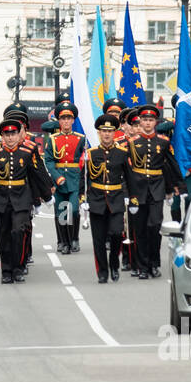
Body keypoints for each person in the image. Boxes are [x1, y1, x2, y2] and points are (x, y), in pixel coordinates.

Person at [0, 116, 51, 284]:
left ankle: (18, 268)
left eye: (13, 134)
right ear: (2, 136)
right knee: (4, 236)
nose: (10, 137)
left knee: (18, 232)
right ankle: (6, 271)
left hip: (22, 199)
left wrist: (45, 197)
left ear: (18, 134)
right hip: (1, 200)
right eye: (6, 135)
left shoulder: (26, 153)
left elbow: (36, 175)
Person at [126, 104, 185, 279]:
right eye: (144, 120)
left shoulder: (163, 141)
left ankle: (154, 263)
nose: (147, 123)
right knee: (140, 228)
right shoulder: (131, 143)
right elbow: (125, 169)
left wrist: (179, 187)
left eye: (151, 120)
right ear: (140, 122)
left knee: (154, 225)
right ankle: (143, 267)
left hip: (157, 188)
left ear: (155, 122)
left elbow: (172, 165)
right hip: (138, 189)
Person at [80, 114, 134, 284]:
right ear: (98, 133)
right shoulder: (91, 153)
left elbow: (129, 177)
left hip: (117, 199)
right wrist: (83, 199)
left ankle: (114, 264)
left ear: (114, 133)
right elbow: (84, 178)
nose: (107, 134)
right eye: (103, 131)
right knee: (99, 240)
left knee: (117, 233)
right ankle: (102, 271)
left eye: (110, 131)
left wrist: (131, 198)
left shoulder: (122, 153)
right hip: (96, 200)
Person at [43, 102, 86, 255]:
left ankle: (74, 238)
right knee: (61, 212)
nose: (66, 121)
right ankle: (64, 242)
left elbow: (85, 160)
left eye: (69, 118)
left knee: (73, 210)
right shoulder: (53, 139)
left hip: (74, 180)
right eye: (63, 118)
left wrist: (83, 182)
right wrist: (57, 176)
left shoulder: (81, 138)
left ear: (73, 120)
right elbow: (48, 161)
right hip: (59, 180)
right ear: (59, 121)